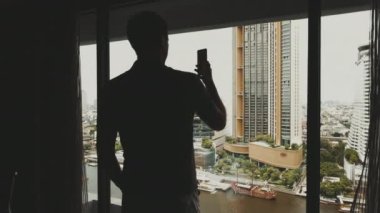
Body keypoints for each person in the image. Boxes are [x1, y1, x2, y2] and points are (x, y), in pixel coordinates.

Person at [98, 11, 226, 213]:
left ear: (134, 43)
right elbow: (219, 122)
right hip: (179, 197)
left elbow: (104, 152)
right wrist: (208, 81)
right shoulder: (187, 84)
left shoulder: (114, 89)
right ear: (162, 42)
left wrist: (128, 187)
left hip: (138, 196)